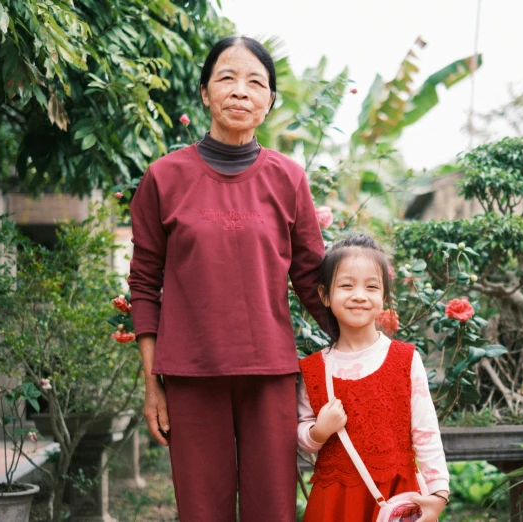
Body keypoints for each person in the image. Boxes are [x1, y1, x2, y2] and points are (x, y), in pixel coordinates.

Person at [128, 36, 331, 522]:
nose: (240, 91)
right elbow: (143, 285)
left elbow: (310, 278)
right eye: (226, 78)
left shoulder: (288, 179)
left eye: (255, 82)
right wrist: (152, 384)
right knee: (202, 513)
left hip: (271, 377)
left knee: (273, 511)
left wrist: (364, 349)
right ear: (204, 93)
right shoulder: (164, 178)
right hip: (191, 375)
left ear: (269, 101)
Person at [298, 234, 450, 522]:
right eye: (346, 285)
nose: (359, 295)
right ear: (325, 295)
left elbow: (426, 433)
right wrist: (319, 431)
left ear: (383, 298)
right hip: (334, 503)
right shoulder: (316, 369)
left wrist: (438, 496)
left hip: (396, 500)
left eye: (371, 286)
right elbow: (302, 433)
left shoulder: (405, 359)